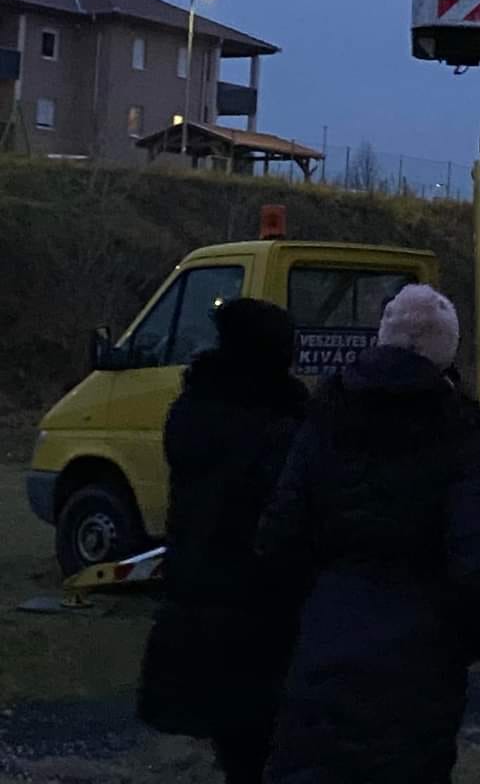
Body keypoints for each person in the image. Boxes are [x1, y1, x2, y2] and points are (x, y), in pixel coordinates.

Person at [257, 285, 480, 784]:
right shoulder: (457, 430)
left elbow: (280, 535)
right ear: (446, 351)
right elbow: (474, 562)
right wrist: (462, 642)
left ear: (382, 335)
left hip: (327, 634)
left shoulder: (326, 414)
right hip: (421, 654)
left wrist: (301, 620)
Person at [137, 298, 308, 784]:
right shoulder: (279, 427)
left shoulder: (194, 412)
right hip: (261, 606)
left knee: (238, 747)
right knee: (264, 742)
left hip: (199, 594)